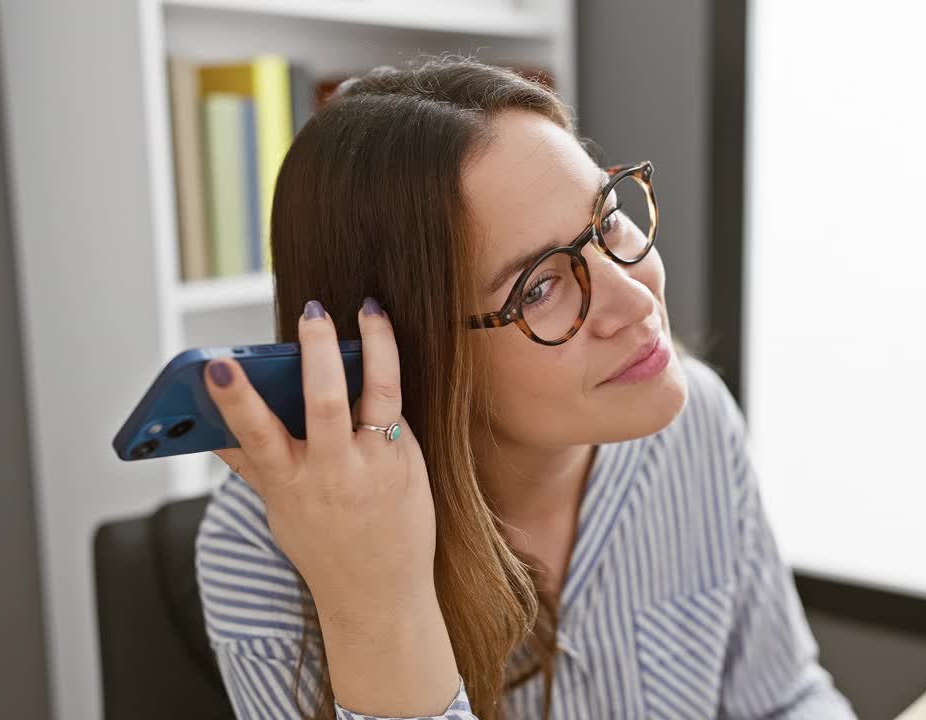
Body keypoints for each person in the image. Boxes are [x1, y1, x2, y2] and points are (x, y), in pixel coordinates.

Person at [194, 56, 857, 720]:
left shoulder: (696, 421)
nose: (634, 297)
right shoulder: (261, 547)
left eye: (608, 220)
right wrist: (379, 604)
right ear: (404, 356)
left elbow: (784, 700)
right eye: (539, 286)